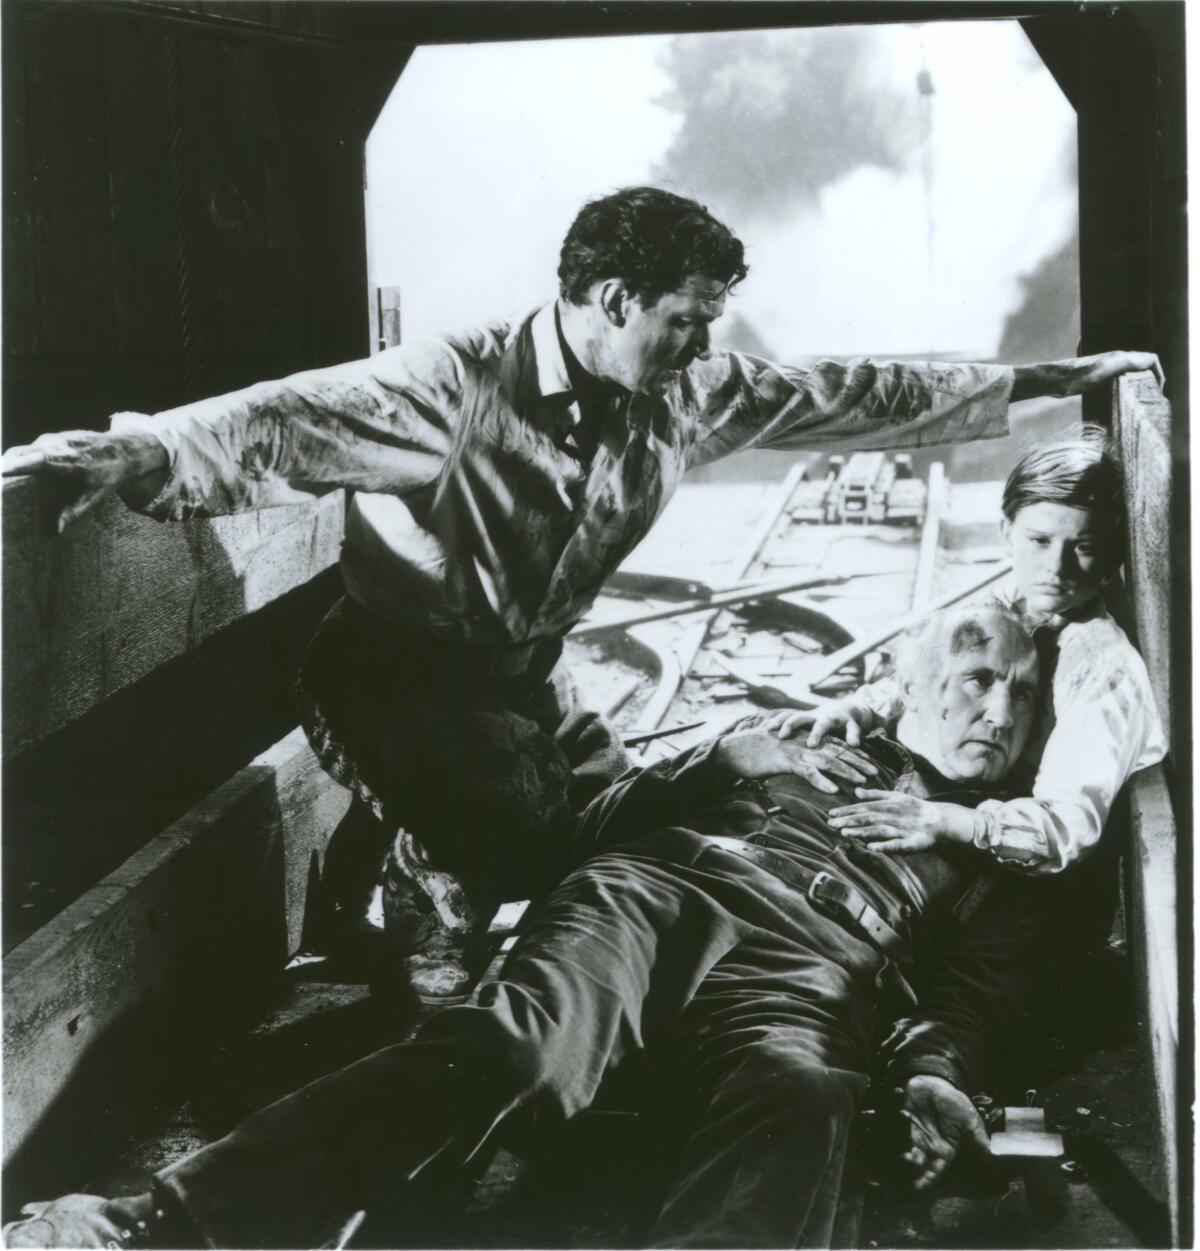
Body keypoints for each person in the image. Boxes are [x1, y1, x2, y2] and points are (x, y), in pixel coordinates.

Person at [0, 186, 1160, 997]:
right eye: (684, 321)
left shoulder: (682, 395)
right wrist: (133, 451)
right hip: (390, 674)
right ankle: (424, 874)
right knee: (519, 838)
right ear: (610, 299)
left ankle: (425, 849)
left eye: (710, 324)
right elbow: (284, 419)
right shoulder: (452, 383)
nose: (703, 345)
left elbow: (843, 390)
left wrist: (1042, 383)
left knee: (626, 819)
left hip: (520, 679)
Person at [3, 603, 1056, 1250]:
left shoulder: (1003, 863)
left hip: (814, 975)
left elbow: (971, 1004)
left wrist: (936, 1079)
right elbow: (579, 829)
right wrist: (713, 763)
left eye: (1021, 694)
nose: (999, 713)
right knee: (510, 1048)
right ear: (912, 683)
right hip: (656, 892)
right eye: (977, 680)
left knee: (804, 1098)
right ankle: (164, 1226)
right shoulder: (790, 737)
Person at [774, 428, 1166, 874]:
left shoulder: (1102, 666)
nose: (1056, 568)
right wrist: (856, 709)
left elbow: (1063, 827)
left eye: (1084, 547)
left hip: (1027, 876)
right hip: (970, 806)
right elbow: (929, 673)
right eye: (1039, 541)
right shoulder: (1005, 601)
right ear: (1006, 532)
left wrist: (941, 820)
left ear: (1112, 553)